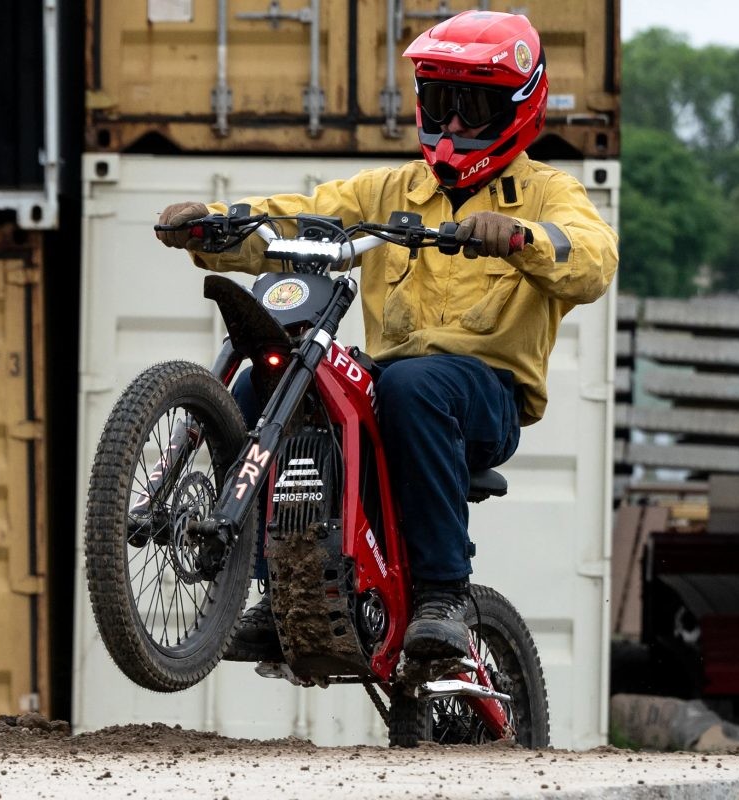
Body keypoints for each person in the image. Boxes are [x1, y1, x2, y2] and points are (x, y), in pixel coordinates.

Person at [155, 11, 618, 663]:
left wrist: (520, 237)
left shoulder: (546, 192)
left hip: (487, 395)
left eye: (473, 107)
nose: (452, 124)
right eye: (439, 102)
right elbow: (299, 215)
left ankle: (443, 596)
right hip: (396, 383)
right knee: (281, 377)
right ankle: (270, 589)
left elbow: (594, 257)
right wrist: (216, 229)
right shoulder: (393, 188)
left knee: (411, 384)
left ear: (517, 109)